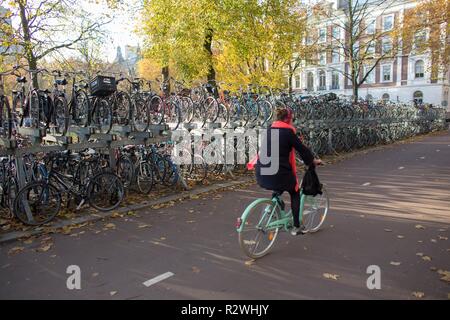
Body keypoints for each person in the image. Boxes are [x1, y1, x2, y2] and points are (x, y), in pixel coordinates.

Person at [255, 108, 322, 236]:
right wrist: (312, 161)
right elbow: (302, 150)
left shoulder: (268, 130)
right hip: (278, 172)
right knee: (294, 191)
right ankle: (297, 226)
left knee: (278, 183)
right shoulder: (288, 132)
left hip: (261, 172)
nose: (292, 122)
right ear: (287, 119)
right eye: (292, 119)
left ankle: (272, 208)